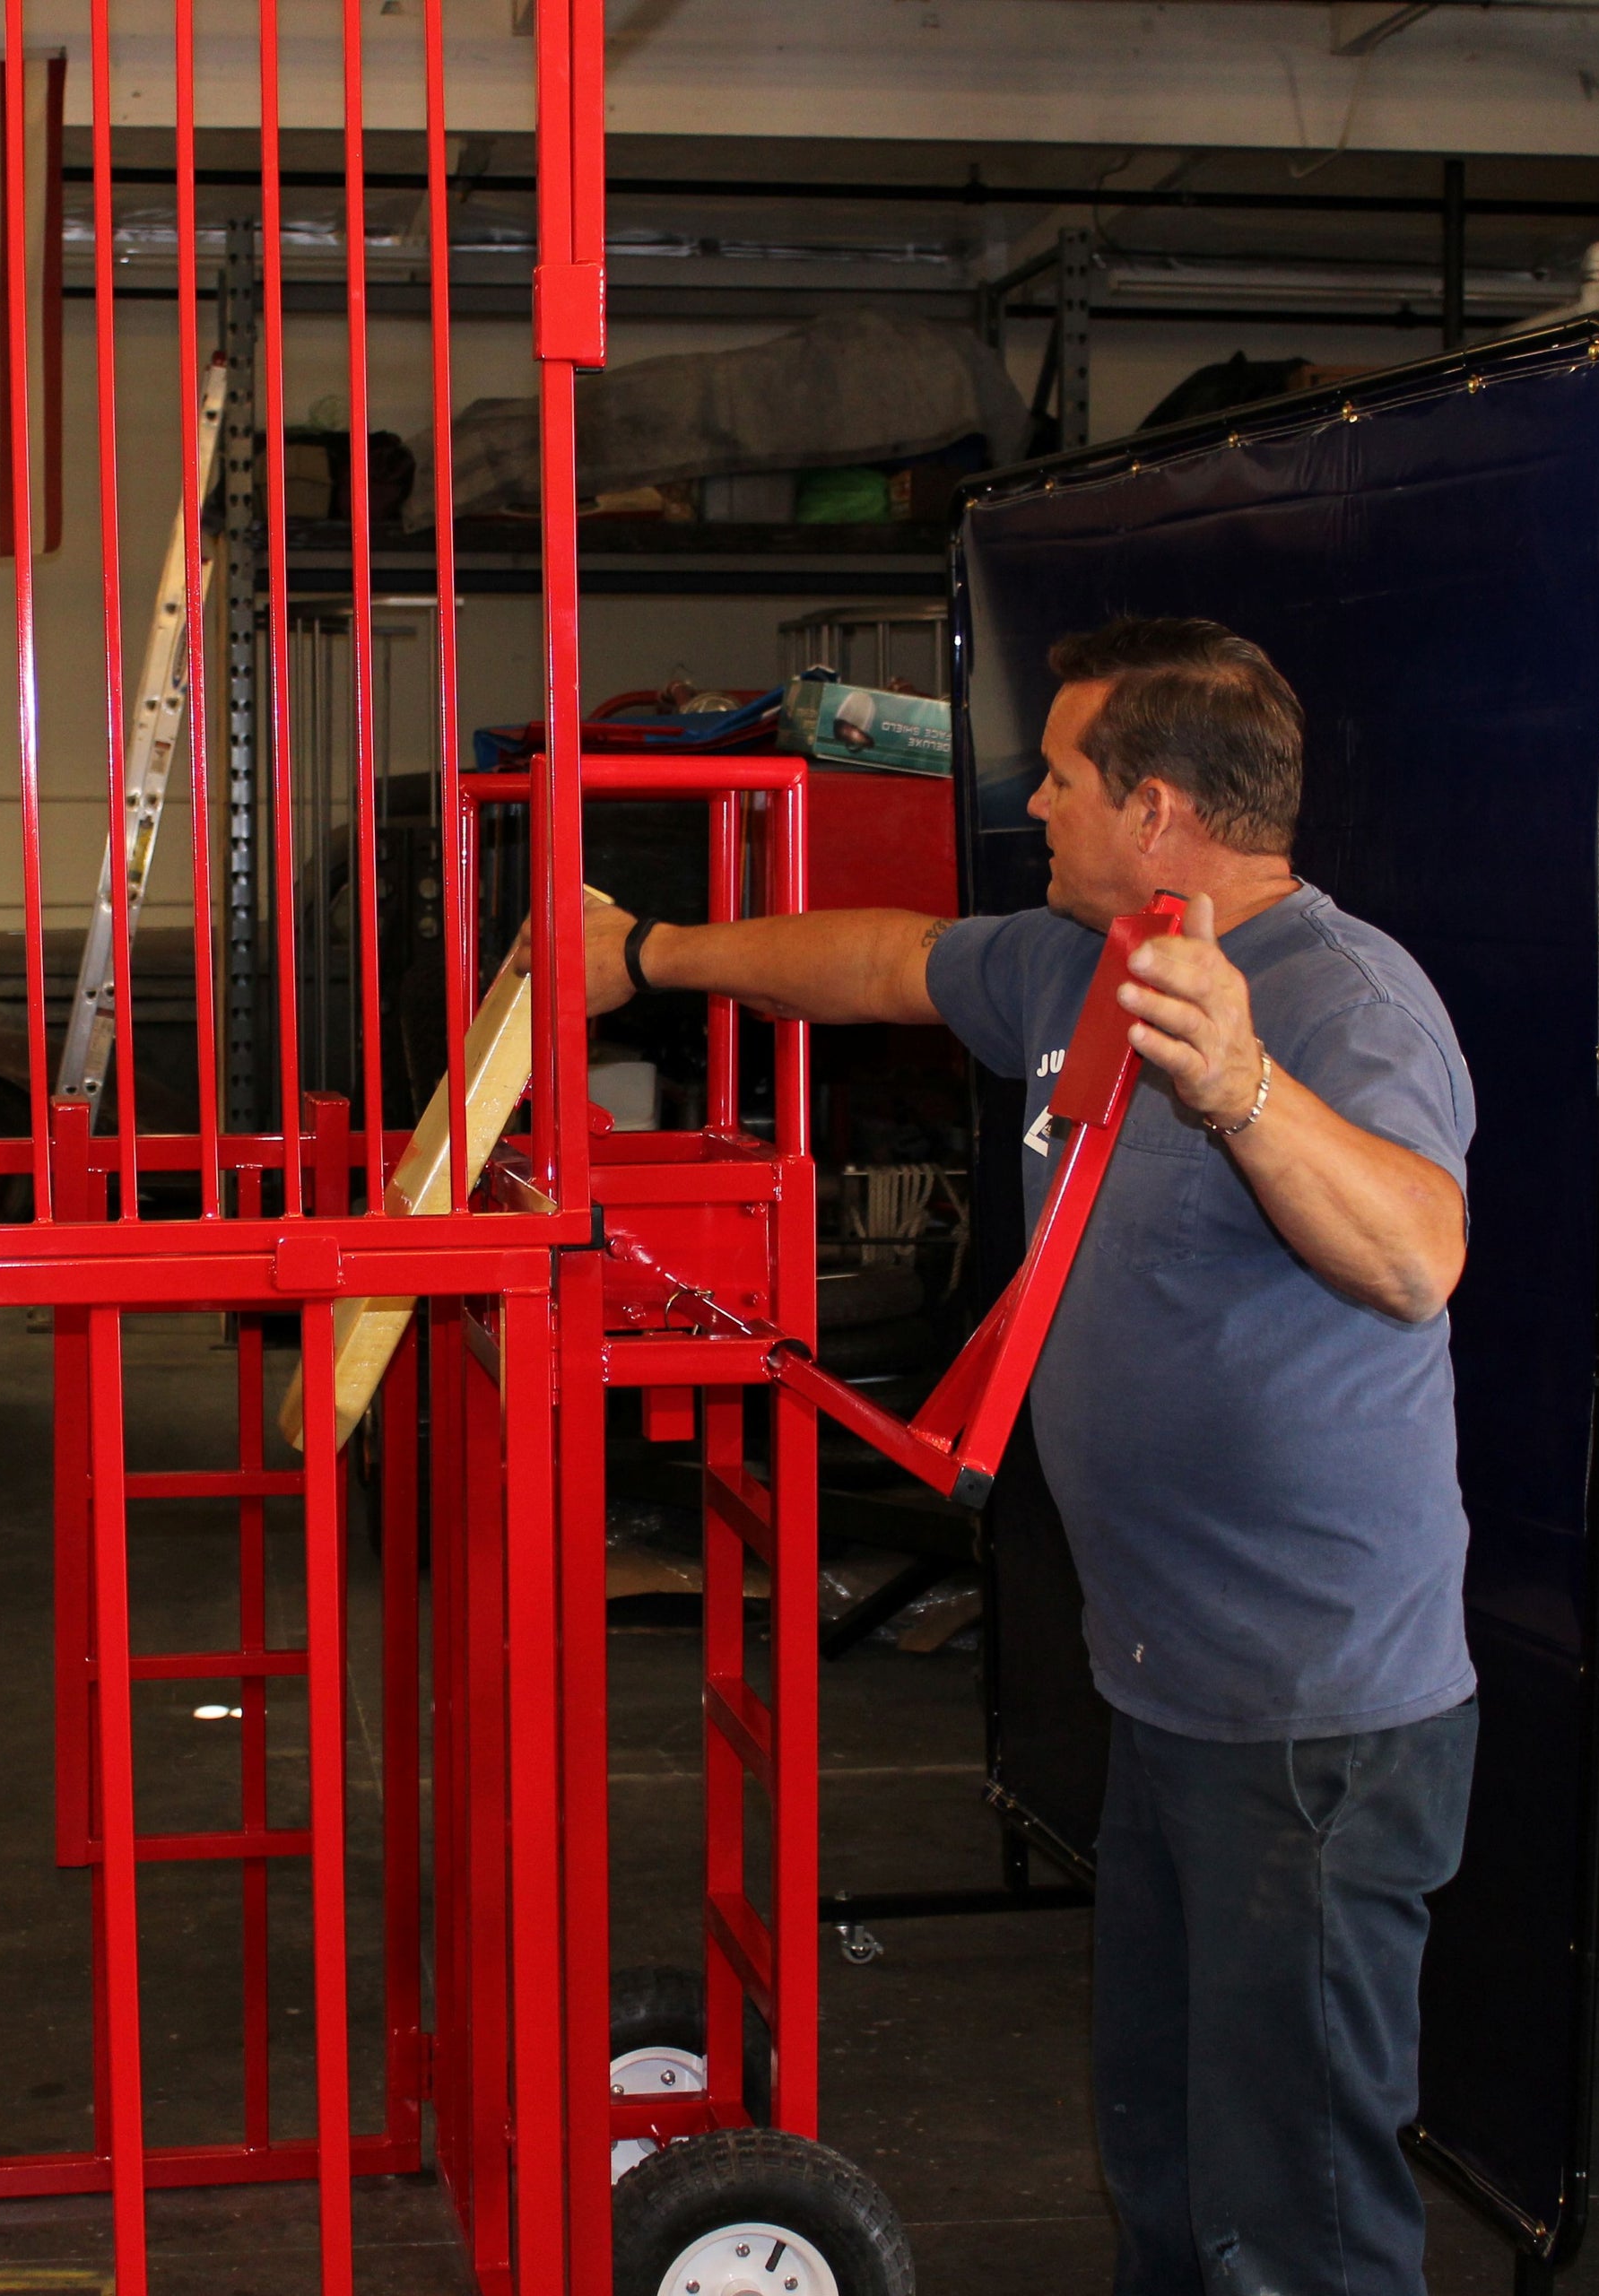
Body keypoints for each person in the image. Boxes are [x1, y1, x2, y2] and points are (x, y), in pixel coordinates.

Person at [566, 616, 1477, 2295]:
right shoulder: (1078, 966)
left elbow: (1420, 1254)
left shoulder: (1347, 1002)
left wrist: (1246, 1087)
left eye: (1059, 779)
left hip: (1313, 1721)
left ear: (1155, 809)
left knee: (1298, 2203)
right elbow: (885, 962)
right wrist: (650, 953)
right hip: (1170, 1688)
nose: (1032, 807)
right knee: (1165, 2154)